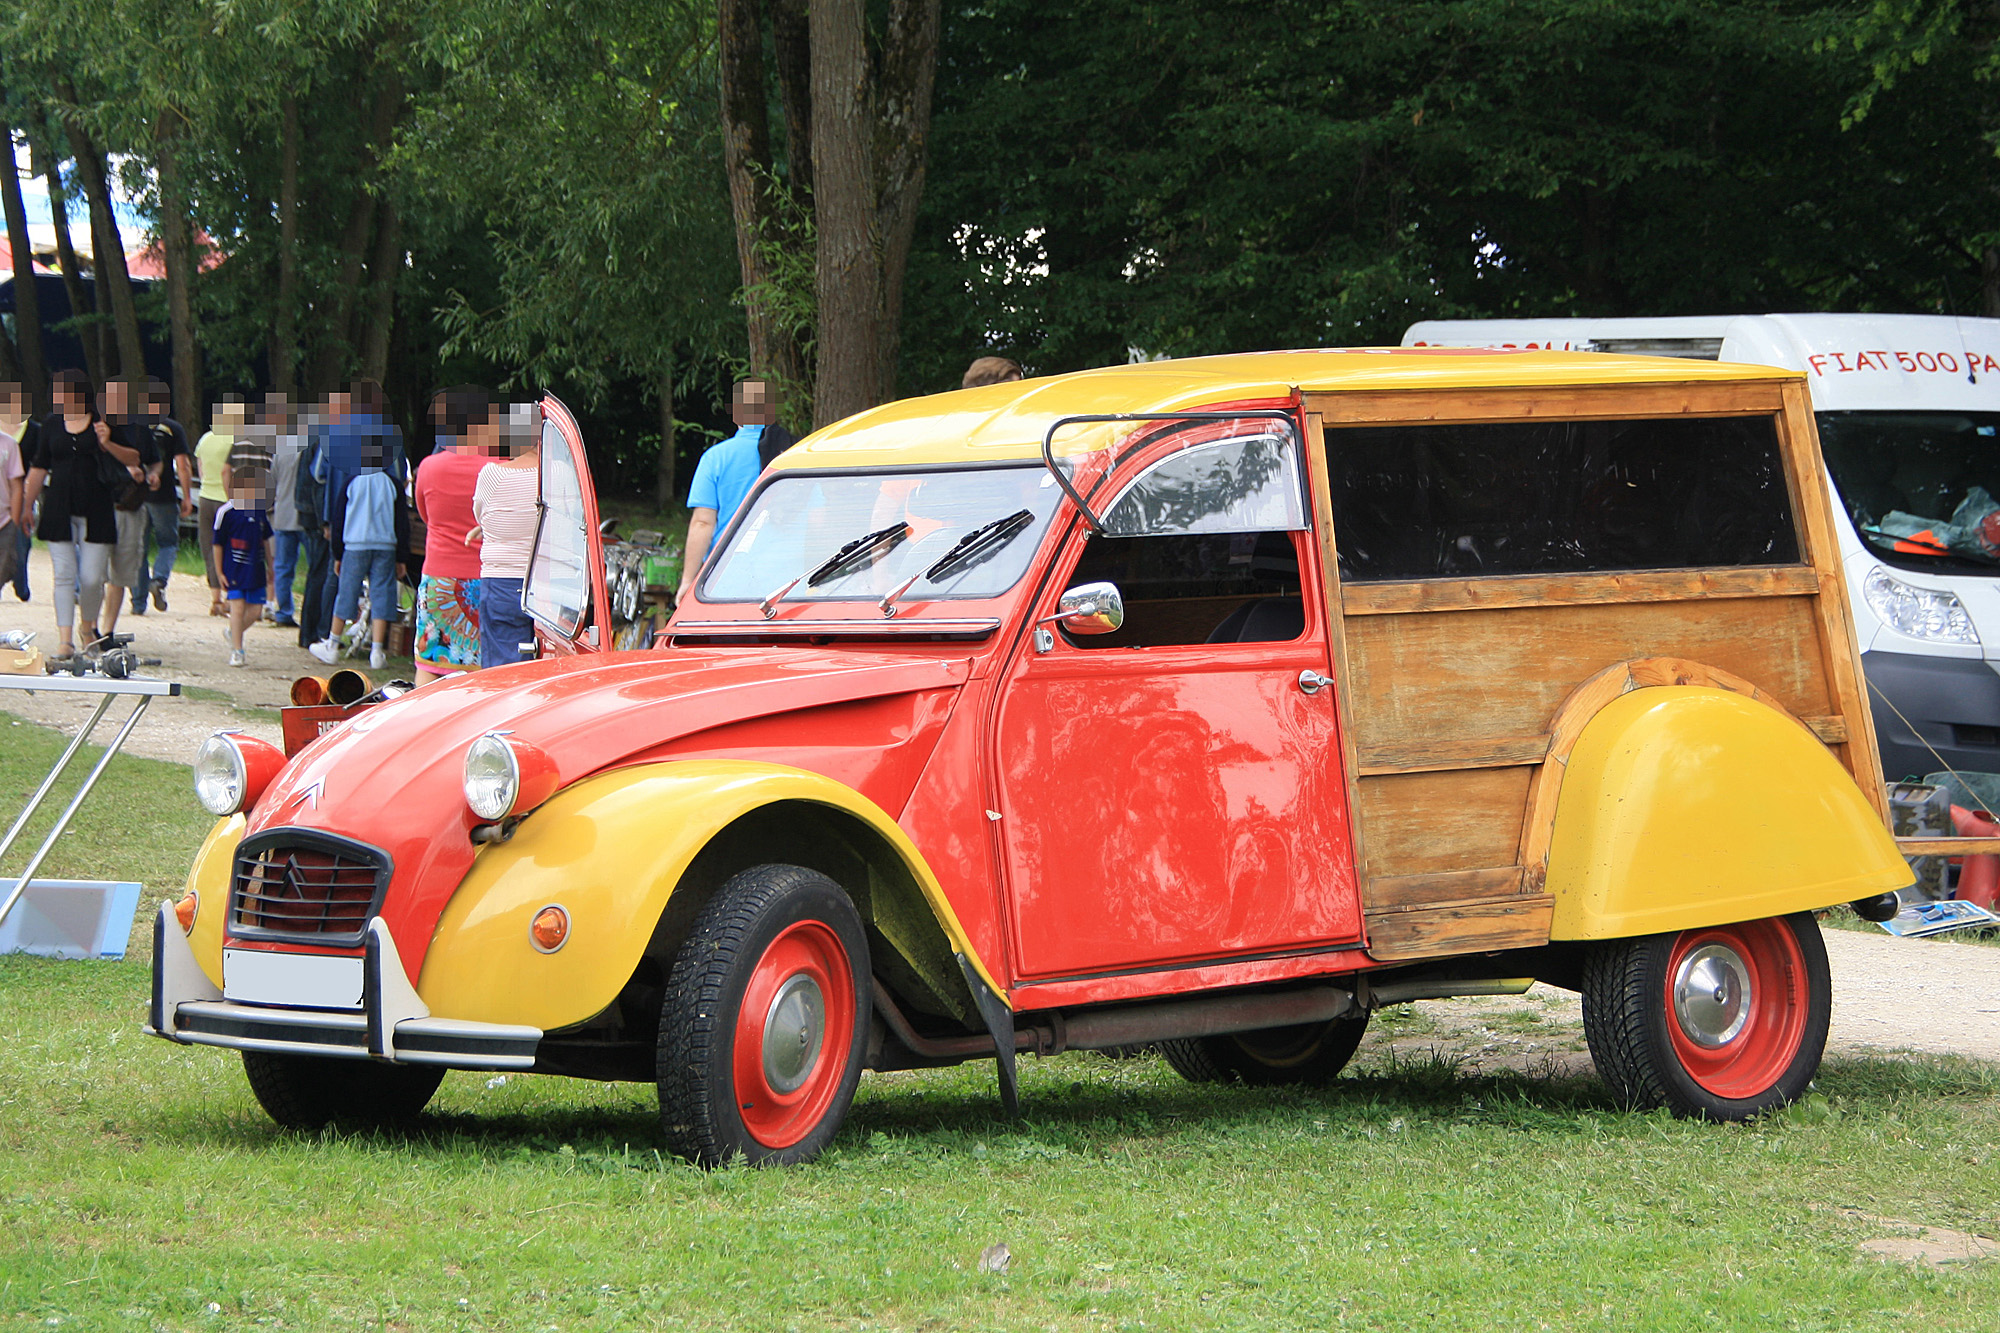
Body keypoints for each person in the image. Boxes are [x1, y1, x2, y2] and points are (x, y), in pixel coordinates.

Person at [21, 369, 119, 659]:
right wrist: (27, 506)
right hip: (58, 510)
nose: (56, 395)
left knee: (91, 578)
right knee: (64, 575)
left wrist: (108, 442)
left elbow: (126, 458)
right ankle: (65, 639)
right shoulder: (51, 425)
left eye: (61, 390)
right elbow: (39, 467)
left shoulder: (103, 423)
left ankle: (87, 628)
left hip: (97, 509)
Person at [677, 378, 793, 602]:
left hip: (726, 575)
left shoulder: (716, 458)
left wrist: (688, 581)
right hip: (786, 577)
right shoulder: (792, 456)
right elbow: (817, 518)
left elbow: (703, 522)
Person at [411, 386, 493, 683]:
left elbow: (425, 514)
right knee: (486, 670)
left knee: (430, 661)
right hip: (487, 578)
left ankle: (423, 724)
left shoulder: (428, 467)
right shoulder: (498, 466)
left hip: (439, 578)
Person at [311, 439, 407, 670]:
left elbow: (339, 520)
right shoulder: (392, 484)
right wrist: (401, 556)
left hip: (355, 544)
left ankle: (332, 644)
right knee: (382, 593)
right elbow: (402, 523)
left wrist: (337, 554)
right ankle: (376, 650)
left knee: (347, 591)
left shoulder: (351, 482)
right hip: (385, 545)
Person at [469, 409, 538, 669]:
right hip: (550, 583)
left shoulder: (492, 475)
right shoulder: (557, 474)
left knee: (504, 672)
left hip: (502, 581)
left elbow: (482, 513)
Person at [96, 377, 161, 639]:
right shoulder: (92, 428)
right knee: (94, 575)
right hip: (98, 507)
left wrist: (154, 474)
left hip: (129, 507)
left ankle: (106, 631)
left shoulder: (139, 430)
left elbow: (153, 461)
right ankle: (89, 627)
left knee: (120, 575)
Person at [136, 379, 193, 614]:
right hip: (164, 496)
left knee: (139, 547)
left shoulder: (134, 426)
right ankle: (158, 580)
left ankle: (138, 602)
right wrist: (187, 496)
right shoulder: (172, 428)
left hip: (136, 496)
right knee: (168, 543)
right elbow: (183, 465)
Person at [211, 466, 276, 668]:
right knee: (237, 608)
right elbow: (217, 544)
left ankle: (233, 632)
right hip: (234, 569)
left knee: (255, 610)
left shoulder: (259, 511)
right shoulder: (226, 512)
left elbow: (265, 539)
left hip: (255, 567)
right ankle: (238, 651)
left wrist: (270, 566)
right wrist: (219, 571)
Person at [194, 397, 244, 616]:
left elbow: (200, 467)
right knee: (231, 549)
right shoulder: (237, 441)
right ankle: (230, 598)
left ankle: (215, 599)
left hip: (204, 498)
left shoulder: (205, 439)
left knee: (209, 547)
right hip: (227, 500)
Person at [267, 396, 306, 628]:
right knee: (315, 567)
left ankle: (284, 612)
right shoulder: (310, 452)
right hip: (304, 517)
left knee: (282, 567)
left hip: (282, 515)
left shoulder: (279, 452)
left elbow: (272, 482)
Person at [0, 383, 31, 601]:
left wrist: (15, 517)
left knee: (7, 563)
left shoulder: (9, 445)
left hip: (4, 517)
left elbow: (16, 484)